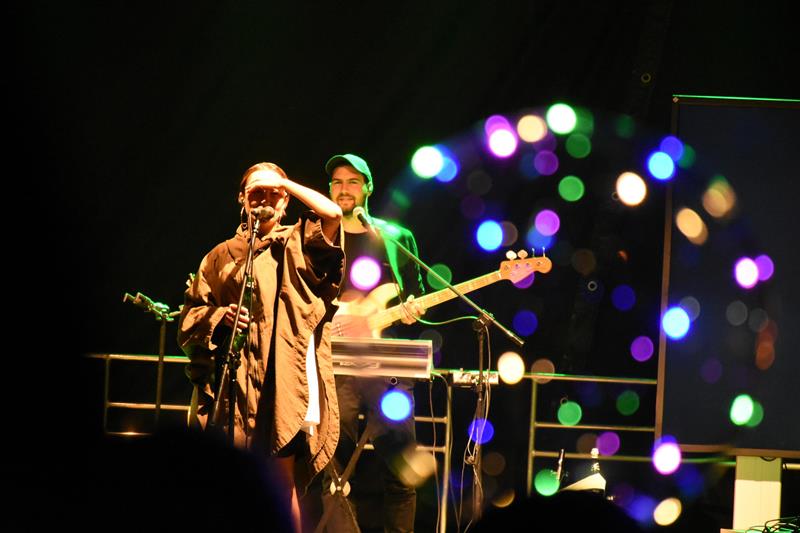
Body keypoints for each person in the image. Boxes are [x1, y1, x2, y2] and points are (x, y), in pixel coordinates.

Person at [178, 162, 344, 532]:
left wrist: (284, 182)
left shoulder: (297, 243)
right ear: (241, 198)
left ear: (285, 201)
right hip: (233, 382)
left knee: (280, 482)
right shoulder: (220, 256)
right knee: (229, 480)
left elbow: (333, 214)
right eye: (256, 192)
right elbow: (190, 318)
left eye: (273, 194)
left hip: (281, 377)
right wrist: (219, 317)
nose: (265, 199)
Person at [321, 153, 425, 533]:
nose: (344, 189)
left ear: (368, 187)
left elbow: (415, 296)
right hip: (333, 363)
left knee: (401, 465)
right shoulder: (318, 236)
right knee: (333, 465)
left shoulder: (395, 237)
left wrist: (412, 310)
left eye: (353, 181)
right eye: (337, 182)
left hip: (387, 365)